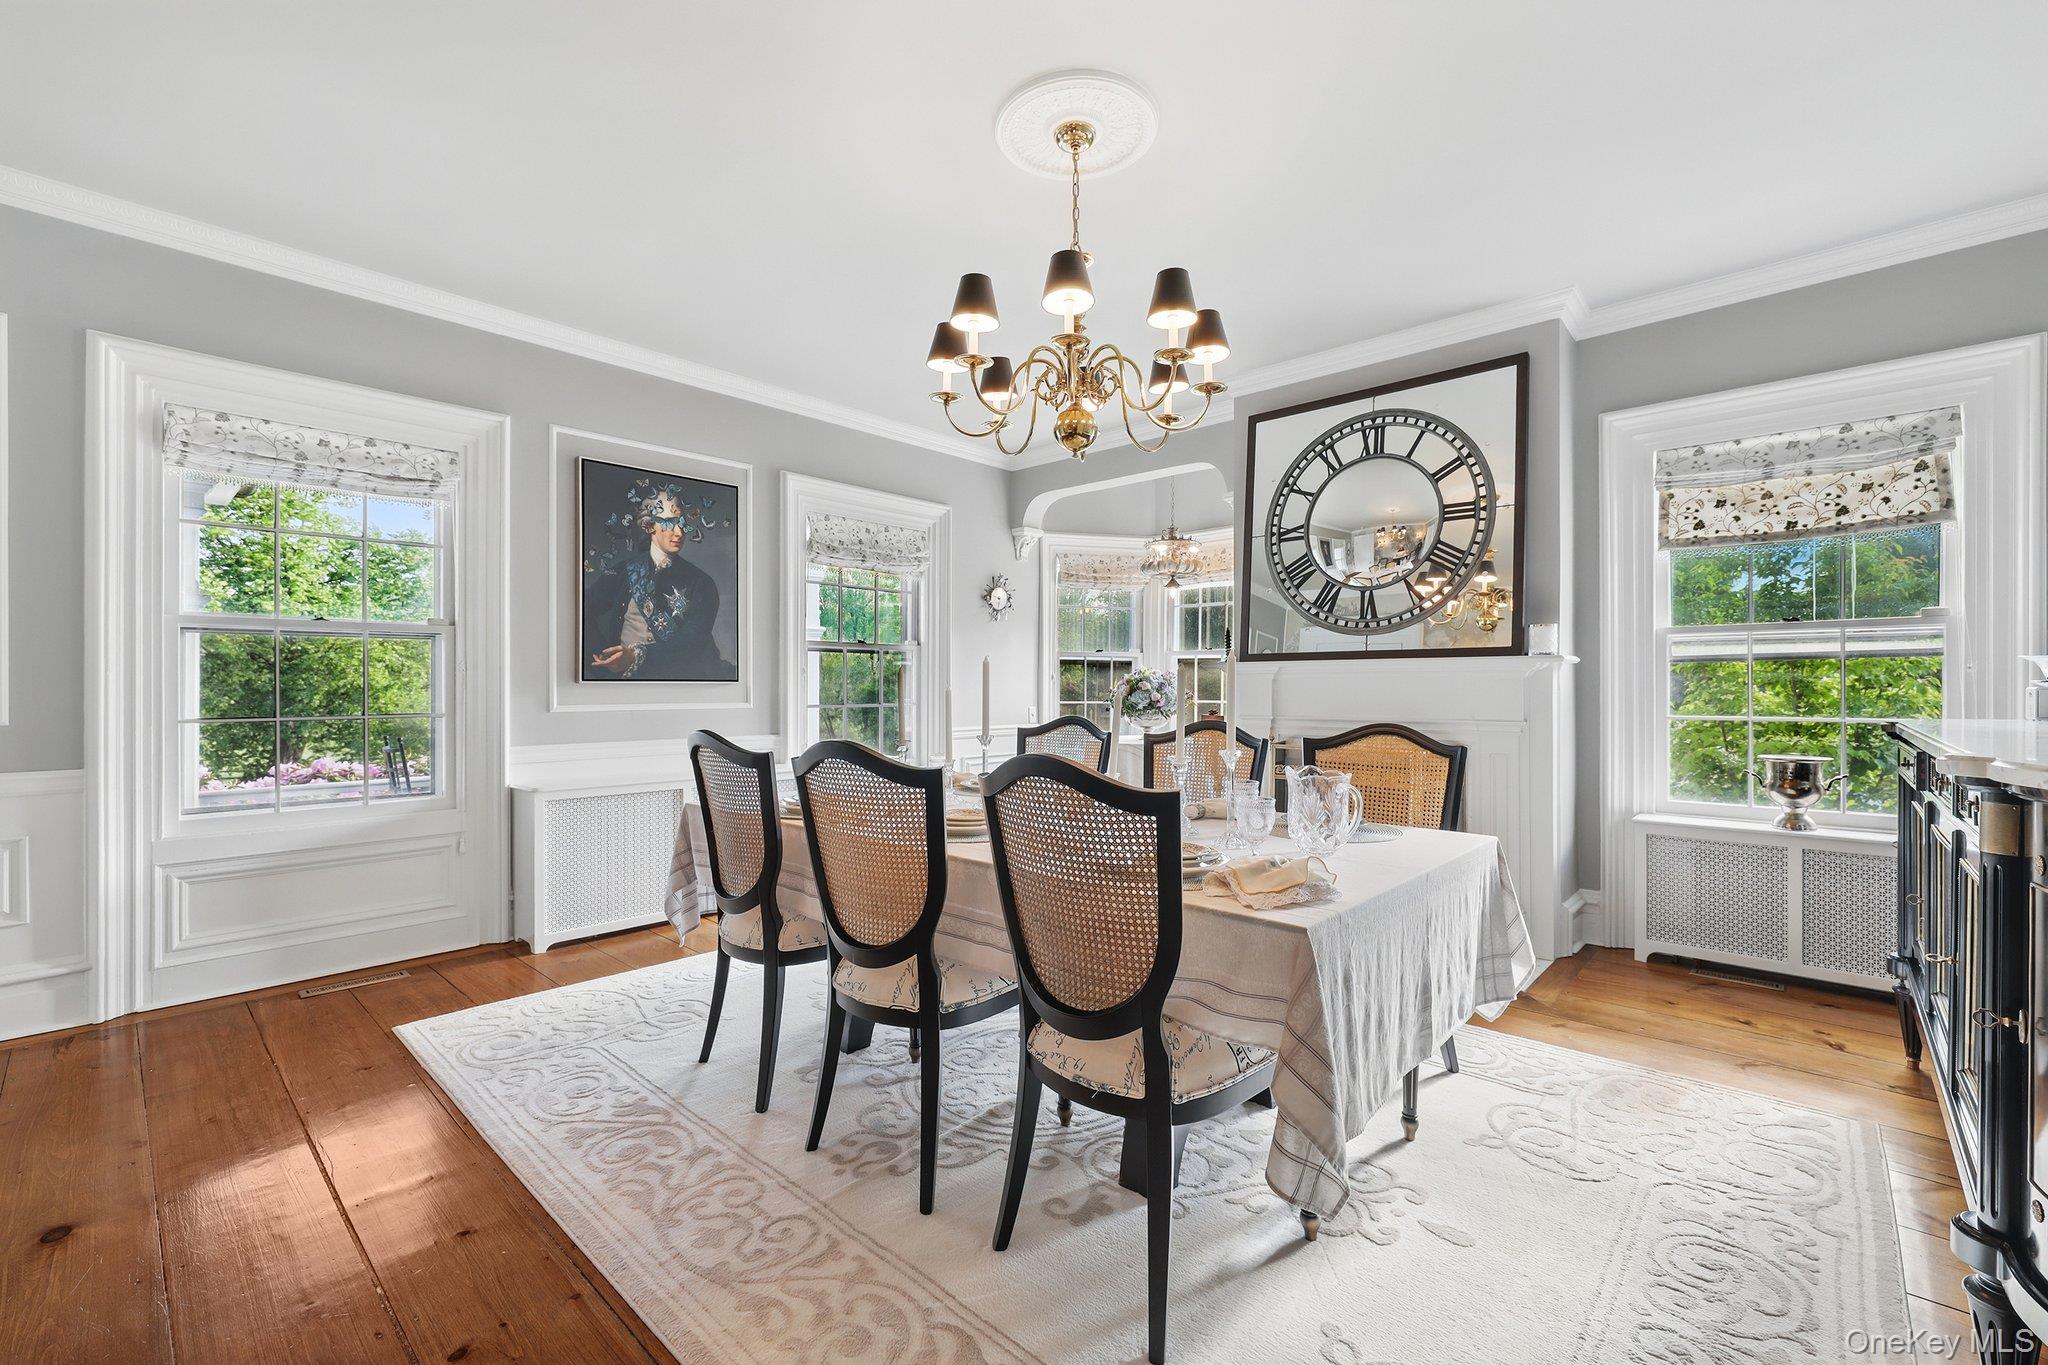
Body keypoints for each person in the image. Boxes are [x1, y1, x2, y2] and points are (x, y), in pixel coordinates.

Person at [582, 481, 732, 680]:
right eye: (669, 522)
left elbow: (691, 642)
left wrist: (636, 656)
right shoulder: (623, 572)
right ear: (649, 525)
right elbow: (582, 609)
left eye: (682, 523)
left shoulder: (702, 583)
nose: (679, 532)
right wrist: (603, 658)